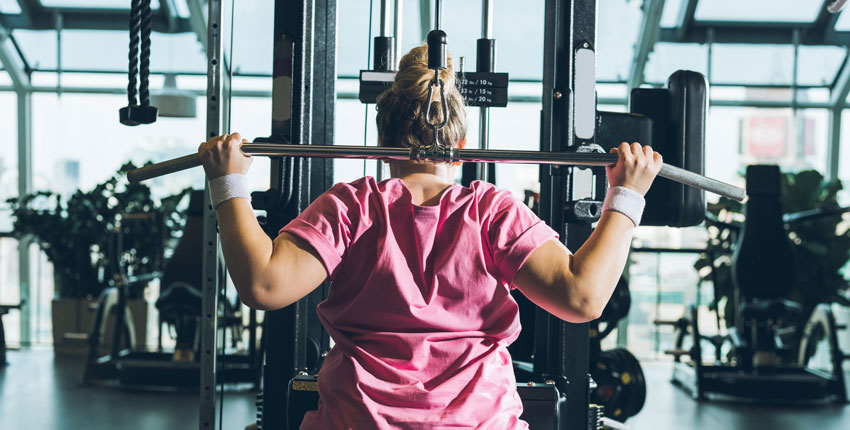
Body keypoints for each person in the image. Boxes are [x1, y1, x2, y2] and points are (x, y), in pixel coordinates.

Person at [198, 45, 662, 430]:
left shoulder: (353, 205)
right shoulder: (491, 211)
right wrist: (627, 196)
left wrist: (228, 184)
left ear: (382, 148)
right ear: (459, 151)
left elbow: (262, 285)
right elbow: (582, 299)